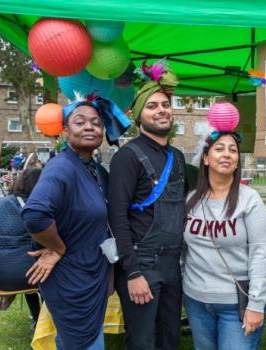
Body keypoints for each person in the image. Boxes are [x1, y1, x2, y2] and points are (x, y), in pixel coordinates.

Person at [22, 95, 130, 349]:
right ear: (65, 130)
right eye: (80, 122)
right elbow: (35, 215)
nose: (90, 127)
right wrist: (57, 247)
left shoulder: (95, 171)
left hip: (92, 274)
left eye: (96, 122)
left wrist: (109, 272)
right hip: (71, 280)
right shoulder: (62, 168)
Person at [109, 60, 188, 349]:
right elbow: (116, 217)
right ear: (138, 114)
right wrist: (132, 273)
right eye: (152, 106)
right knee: (142, 341)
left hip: (172, 264)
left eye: (165, 104)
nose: (161, 110)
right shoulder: (127, 157)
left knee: (170, 338)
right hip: (141, 264)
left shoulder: (178, 157)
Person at [183, 102, 266, 350]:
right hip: (196, 301)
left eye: (233, 150)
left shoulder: (249, 200)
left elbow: (260, 254)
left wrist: (255, 304)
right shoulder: (191, 200)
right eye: (219, 149)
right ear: (206, 158)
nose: (227, 154)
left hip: (236, 304)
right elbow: (184, 252)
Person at [0, 167, 42, 328]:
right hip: (27, 275)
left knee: (32, 269)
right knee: (44, 271)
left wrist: (2, 240)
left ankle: (37, 318)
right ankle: (45, 322)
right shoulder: (36, 206)